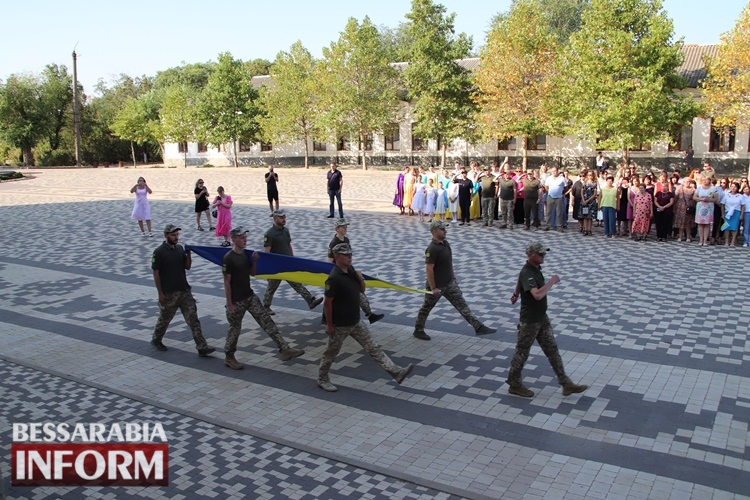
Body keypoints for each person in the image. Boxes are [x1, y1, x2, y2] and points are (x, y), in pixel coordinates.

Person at [317, 243, 414, 392]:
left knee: (373, 348)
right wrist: (330, 325)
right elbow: (327, 304)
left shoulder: (351, 270)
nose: (350, 257)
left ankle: (396, 372)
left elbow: (361, 291)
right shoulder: (334, 278)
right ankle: (322, 378)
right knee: (330, 353)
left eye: (351, 254)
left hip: (355, 321)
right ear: (337, 257)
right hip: (340, 325)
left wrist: (360, 279)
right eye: (346, 255)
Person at [506, 241, 588, 398]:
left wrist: (516, 293)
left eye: (544, 253)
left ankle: (566, 383)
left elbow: (519, 279)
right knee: (522, 353)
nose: (544, 256)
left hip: (541, 318)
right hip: (530, 321)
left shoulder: (533, 269)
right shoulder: (528, 272)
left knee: (552, 350)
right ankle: (514, 384)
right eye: (540, 253)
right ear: (531, 255)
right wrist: (552, 281)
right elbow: (537, 295)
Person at [222, 226, 305, 370]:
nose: (244, 240)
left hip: (249, 296)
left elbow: (252, 273)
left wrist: (254, 261)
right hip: (237, 300)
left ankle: (284, 349)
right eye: (241, 238)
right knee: (235, 329)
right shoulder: (228, 258)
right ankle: (229, 356)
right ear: (234, 239)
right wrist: (229, 304)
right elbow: (227, 283)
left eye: (245, 237)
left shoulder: (245, 254)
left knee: (267, 321)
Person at [413, 220, 496, 340]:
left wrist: (453, 277)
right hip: (437, 285)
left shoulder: (446, 244)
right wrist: (433, 288)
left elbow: (449, 263)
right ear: (434, 231)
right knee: (426, 307)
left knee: (462, 305)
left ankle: (478, 327)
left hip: (449, 283)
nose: (445, 231)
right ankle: (418, 330)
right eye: (442, 229)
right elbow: (429, 269)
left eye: (444, 229)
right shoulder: (432, 249)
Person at [150, 224, 215, 356]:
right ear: (166, 235)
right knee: (165, 319)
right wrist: (160, 293)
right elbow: (156, 273)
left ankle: (202, 346)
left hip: (184, 291)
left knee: (193, 319)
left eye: (177, 235)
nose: (176, 237)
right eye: (173, 235)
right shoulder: (159, 252)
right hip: (169, 293)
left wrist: (189, 254)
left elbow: (187, 267)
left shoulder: (179, 249)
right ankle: (156, 339)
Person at [262, 210, 324, 314]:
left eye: (284, 217)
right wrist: (269, 266)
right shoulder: (270, 234)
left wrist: (293, 258)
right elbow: (267, 252)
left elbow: (288, 245)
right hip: (277, 267)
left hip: (288, 264)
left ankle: (310, 300)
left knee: (297, 283)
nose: (284, 219)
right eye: (281, 217)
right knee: (271, 287)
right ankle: (265, 307)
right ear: (275, 218)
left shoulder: (286, 231)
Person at [325, 218, 384, 324]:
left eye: (346, 226)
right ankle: (327, 318)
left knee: (356, 291)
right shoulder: (333, 243)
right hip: (340, 271)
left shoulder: (346, 240)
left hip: (348, 268)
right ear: (337, 229)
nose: (345, 228)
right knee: (338, 296)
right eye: (343, 227)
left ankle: (369, 314)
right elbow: (329, 260)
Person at [693, 175, 718, 246]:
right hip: (700, 207)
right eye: (703, 180)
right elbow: (694, 197)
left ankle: (705, 240)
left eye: (706, 180)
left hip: (709, 207)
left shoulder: (713, 189)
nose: (705, 181)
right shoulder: (699, 188)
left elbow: (716, 199)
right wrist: (701, 199)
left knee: (707, 224)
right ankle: (700, 240)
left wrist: (708, 199)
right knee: (700, 224)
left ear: (710, 181)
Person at [543, 166, 567, 232]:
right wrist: (549, 192)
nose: (554, 172)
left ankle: (559, 226)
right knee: (548, 212)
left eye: (555, 171)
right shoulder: (549, 178)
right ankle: (547, 225)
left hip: (559, 197)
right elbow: (546, 186)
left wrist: (561, 193)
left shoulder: (562, 178)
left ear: (557, 171)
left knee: (559, 212)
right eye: (552, 171)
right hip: (550, 196)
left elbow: (565, 187)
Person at [721, 182, 744, 247]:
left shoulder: (740, 196)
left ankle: (733, 241)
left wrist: (741, 215)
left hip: (736, 212)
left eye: (735, 187)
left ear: (737, 188)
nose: (733, 188)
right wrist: (723, 214)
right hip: (727, 212)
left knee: (735, 227)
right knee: (727, 227)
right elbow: (722, 204)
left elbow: (743, 206)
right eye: (732, 186)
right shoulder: (726, 195)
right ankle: (727, 241)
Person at [580, 171, 598, 236]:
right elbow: (582, 191)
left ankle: (589, 230)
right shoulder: (585, 183)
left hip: (591, 202)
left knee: (590, 217)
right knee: (585, 216)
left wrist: (588, 200)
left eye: (591, 175)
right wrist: (583, 200)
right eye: (588, 175)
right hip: (584, 201)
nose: (590, 176)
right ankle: (585, 230)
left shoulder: (594, 183)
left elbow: (595, 193)